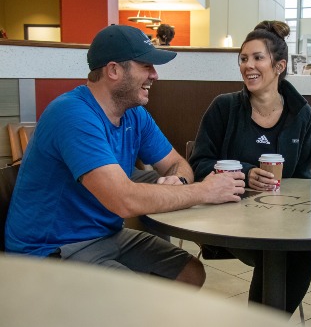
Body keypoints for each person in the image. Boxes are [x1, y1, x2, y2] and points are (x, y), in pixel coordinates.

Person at [5, 25, 245, 287]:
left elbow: (178, 163)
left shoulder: (134, 114)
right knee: (136, 297)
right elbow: (123, 200)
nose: (155, 75)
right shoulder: (72, 115)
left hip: (106, 235)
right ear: (114, 70)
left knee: (190, 272)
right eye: (146, 65)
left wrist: (180, 181)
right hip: (52, 250)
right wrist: (205, 191)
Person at [189, 20, 311, 314]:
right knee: (279, 254)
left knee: (298, 257)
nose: (248, 65)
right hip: (228, 217)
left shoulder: (302, 115)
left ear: (279, 66)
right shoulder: (224, 107)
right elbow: (199, 164)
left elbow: (303, 178)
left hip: (281, 219)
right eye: (243, 59)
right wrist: (246, 173)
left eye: (258, 57)